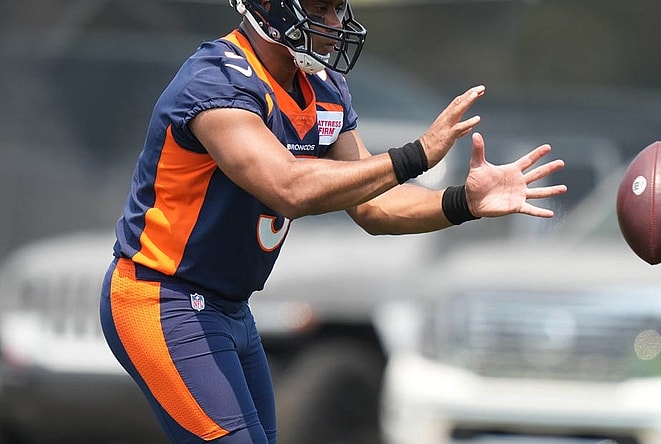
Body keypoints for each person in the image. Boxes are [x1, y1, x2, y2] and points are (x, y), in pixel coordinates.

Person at [99, 0, 568, 442]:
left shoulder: (321, 87)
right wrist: (416, 155)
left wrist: (462, 201)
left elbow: (372, 207)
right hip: (161, 297)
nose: (336, 22)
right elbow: (288, 187)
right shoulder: (218, 80)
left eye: (338, 7)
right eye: (319, 7)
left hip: (231, 307)